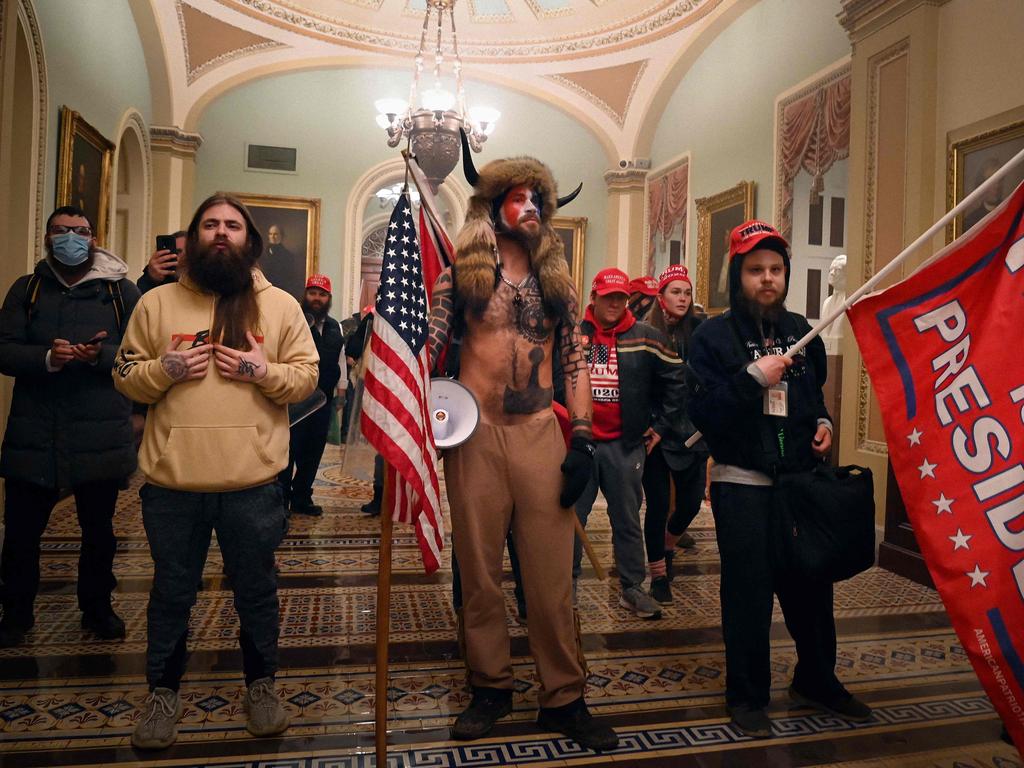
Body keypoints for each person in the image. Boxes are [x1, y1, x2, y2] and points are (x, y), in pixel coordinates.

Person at [426, 139, 617, 752]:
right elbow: (427, 348)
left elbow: (577, 360)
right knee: (478, 573)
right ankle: (490, 686)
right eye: (519, 196)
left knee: (551, 577)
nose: (531, 205)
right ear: (494, 206)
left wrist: (582, 438)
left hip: (540, 437)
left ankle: (563, 697)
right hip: (475, 437)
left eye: (539, 198)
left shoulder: (558, 284)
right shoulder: (461, 278)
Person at [113, 193, 318, 750]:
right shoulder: (156, 304)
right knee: (171, 593)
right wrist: (165, 368)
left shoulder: (280, 307)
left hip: (252, 484)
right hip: (172, 486)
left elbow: (306, 379)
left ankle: (262, 686)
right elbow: (126, 375)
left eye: (232, 225)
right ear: (193, 236)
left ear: (249, 239)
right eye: (210, 224)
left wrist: (262, 370)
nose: (221, 233)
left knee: (256, 591)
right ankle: (162, 693)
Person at [687, 220, 871, 738]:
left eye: (775, 269)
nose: (767, 279)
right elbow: (703, 413)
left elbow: (811, 395)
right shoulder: (711, 339)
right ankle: (746, 695)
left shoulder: (801, 330)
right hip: (741, 484)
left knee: (812, 585)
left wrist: (824, 424)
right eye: (755, 270)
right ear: (736, 275)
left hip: (800, 486)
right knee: (748, 593)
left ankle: (817, 678)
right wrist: (751, 379)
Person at [0, 206, 140, 648]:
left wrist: (100, 355)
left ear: (94, 238)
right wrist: (46, 357)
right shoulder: (28, 289)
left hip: (100, 431)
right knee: (21, 532)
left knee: (98, 531)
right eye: (61, 231)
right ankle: (15, 613)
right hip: (34, 432)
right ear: (47, 238)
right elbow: (4, 350)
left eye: (79, 231)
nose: (70, 239)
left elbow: (140, 351)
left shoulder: (121, 292)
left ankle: (97, 608)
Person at [572, 267, 684, 619]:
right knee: (572, 518)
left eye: (620, 297)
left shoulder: (647, 337)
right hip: (580, 444)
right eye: (608, 297)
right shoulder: (574, 336)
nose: (615, 304)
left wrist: (661, 426)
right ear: (594, 298)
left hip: (625, 444)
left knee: (627, 518)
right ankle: (566, 588)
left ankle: (632, 588)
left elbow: (677, 382)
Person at [642, 264, 710, 603]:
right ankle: (658, 575)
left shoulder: (700, 331)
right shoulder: (645, 331)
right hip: (655, 432)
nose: (682, 298)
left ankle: (669, 546)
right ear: (661, 296)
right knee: (656, 506)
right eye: (675, 292)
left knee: (691, 504)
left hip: (693, 432)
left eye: (687, 293)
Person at [279, 274, 345, 516]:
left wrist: (342, 391)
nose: (317, 298)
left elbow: (341, 359)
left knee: (313, 452)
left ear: (329, 298)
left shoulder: (335, 326)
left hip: (323, 401)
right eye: (313, 293)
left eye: (322, 294)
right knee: (289, 452)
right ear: (305, 295)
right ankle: (282, 501)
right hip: (295, 401)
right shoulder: (292, 321)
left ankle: (302, 498)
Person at [819, 253, 847, 342]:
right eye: (831, 269)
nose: (832, 273)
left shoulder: (851, 300)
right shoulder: (827, 302)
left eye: (837, 270)